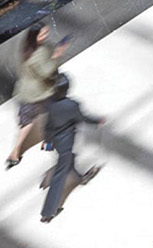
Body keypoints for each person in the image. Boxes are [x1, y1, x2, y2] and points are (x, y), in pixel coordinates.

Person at [38, 75, 103, 223]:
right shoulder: (72, 105)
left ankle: (81, 177)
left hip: (56, 142)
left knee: (69, 161)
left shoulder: (50, 104)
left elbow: (48, 125)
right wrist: (96, 121)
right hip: (66, 144)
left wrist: (47, 141)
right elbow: (82, 118)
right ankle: (48, 212)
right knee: (59, 177)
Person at [6, 22, 65, 168]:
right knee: (53, 115)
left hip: (24, 92)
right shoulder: (39, 53)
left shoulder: (26, 48)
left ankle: (15, 153)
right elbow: (46, 72)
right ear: (35, 36)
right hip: (40, 92)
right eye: (43, 34)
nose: (46, 36)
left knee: (26, 123)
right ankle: (48, 143)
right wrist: (56, 55)